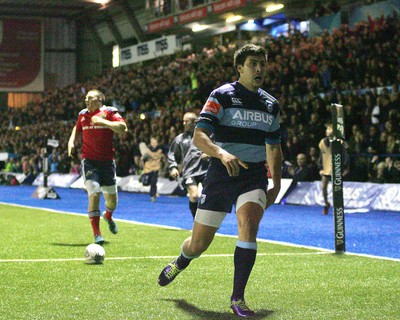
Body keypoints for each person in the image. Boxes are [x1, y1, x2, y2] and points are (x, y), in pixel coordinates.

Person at [158, 44, 282, 318]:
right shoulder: (222, 96)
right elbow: (199, 136)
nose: (259, 68)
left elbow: (274, 147)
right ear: (240, 68)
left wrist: (277, 183)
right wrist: (222, 153)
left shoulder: (271, 104)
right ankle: (181, 261)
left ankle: (238, 298)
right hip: (220, 175)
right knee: (198, 244)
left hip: (253, 175)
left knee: (248, 224)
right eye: (253, 63)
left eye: (263, 63)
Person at [68, 89, 127, 245]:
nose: (86, 101)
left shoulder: (109, 112)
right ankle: (97, 234)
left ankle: (108, 215)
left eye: (90, 98)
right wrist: (71, 141)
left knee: (112, 202)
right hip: (89, 161)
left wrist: (103, 122)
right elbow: (77, 127)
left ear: (100, 99)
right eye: (85, 98)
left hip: (107, 162)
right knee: (94, 194)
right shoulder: (82, 114)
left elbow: (123, 128)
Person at [167, 112, 209, 219]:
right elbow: (172, 154)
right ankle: (196, 221)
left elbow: (216, 147)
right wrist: (173, 168)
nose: (184, 123)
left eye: (187, 121)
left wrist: (209, 153)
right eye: (183, 121)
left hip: (206, 171)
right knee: (194, 196)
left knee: (209, 197)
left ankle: (206, 221)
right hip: (190, 172)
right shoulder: (179, 139)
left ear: (195, 122)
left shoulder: (205, 135)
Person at [318, 123, 349, 215]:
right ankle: (326, 203)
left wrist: (346, 168)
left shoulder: (340, 142)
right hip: (326, 169)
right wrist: (320, 167)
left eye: (330, 129)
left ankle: (338, 207)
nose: (328, 131)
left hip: (337, 169)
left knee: (337, 189)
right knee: (323, 187)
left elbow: (346, 155)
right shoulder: (322, 142)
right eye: (327, 129)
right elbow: (321, 156)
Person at [140, 136, 164, 202]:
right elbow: (142, 159)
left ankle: (153, 196)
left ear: (157, 142)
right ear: (150, 143)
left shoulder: (160, 150)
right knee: (146, 183)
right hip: (148, 169)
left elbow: (163, 158)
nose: (154, 143)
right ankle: (142, 176)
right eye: (152, 142)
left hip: (155, 169)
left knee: (154, 182)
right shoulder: (147, 150)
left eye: (155, 142)